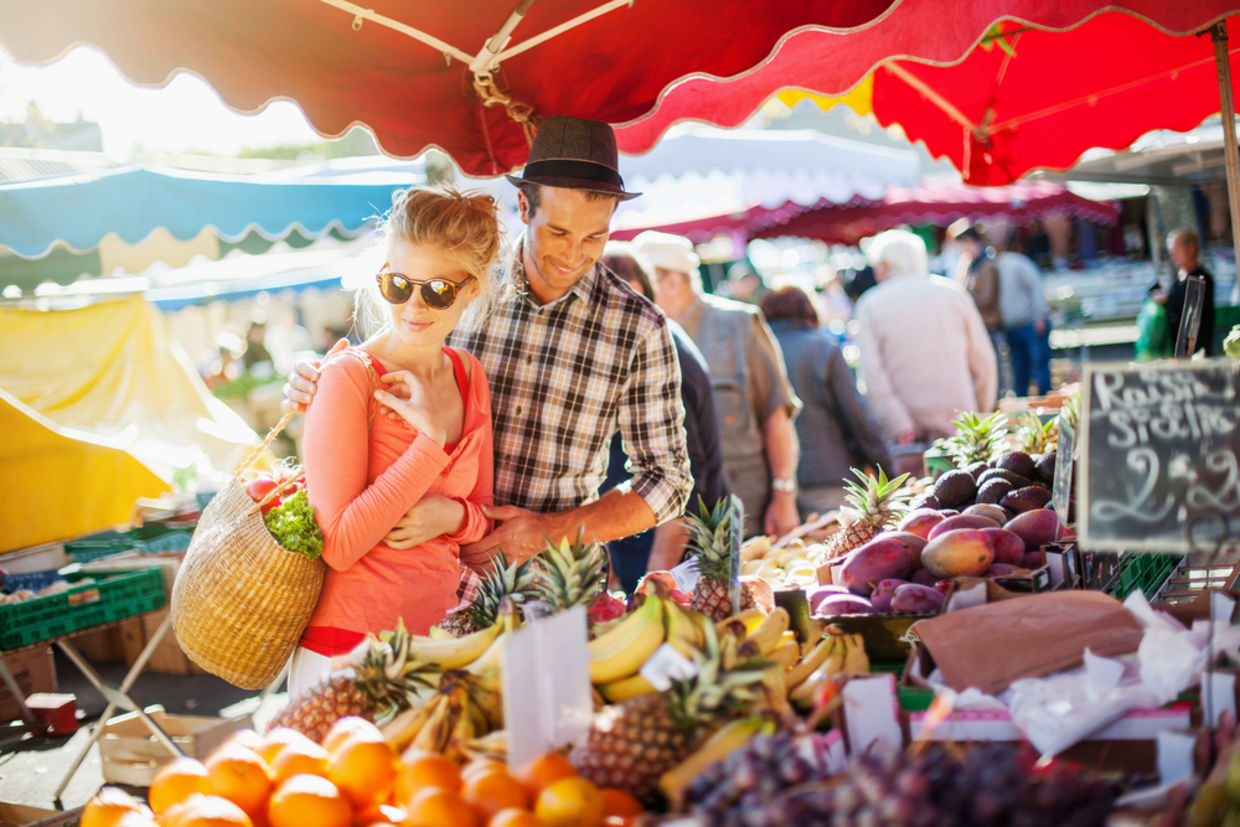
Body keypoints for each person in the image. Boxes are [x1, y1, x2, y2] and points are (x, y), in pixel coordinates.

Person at [287, 117, 692, 569]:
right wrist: (316, 384)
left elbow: (668, 482)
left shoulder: (639, 326)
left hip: (553, 582)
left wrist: (548, 532)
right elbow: (377, 364)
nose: (574, 254)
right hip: (434, 573)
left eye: (595, 236)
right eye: (558, 232)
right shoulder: (457, 281)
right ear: (523, 205)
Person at [290, 187, 500, 699]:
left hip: (444, 647)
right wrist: (428, 446)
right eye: (398, 284)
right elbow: (338, 545)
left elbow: (483, 518)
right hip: (352, 658)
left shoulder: (469, 374)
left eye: (437, 291)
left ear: (472, 290)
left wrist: (453, 519)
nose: (413, 306)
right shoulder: (349, 377)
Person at [634, 230, 801, 538]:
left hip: (747, 510)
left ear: (672, 281)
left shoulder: (739, 323)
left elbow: (776, 415)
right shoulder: (640, 338)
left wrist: (784, 494)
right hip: (671, 525)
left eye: (643, 281)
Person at [600, 244, 728, 588]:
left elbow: (688, 475)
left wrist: (655, 578)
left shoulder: (663, 352)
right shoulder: (645, 343)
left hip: (679, 561)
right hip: (644, 552)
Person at [760, 283, 892, 516]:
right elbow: (856, 416)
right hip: (830, 480)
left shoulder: (757, 355)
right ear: (808, 311)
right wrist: (886, 468)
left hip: (775, 489)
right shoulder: (822, 348)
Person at [853, 229, 997, 444]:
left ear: (884, 266)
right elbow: (984, 360)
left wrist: (899, 425)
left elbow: (872, 374)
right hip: (960, 422)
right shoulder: (953, 293)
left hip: (909, 435)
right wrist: (978, 412)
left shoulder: (870, 304)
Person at [950, 225, 1007, 395]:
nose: (959, 249)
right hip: (976, 326)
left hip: (989, 327)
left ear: (969, 241)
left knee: (993, 375)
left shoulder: (987, 264)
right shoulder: (968, 265)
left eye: (960, 243)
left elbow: (988, 298)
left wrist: (963, 300)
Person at [996, 240, 1052, 396]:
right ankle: (1023, 404)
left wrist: (1039, 316)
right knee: (1019, 371)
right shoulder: (991, 268)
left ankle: (1046, 402)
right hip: (1012, 327)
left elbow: (1036, 288)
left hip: (1030, 324)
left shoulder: (1017, 264)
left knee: (1039, 368)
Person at [1150, 228, 1216, 357]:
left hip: (1196, 353)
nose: (1173, 257)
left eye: (1176, 252)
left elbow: (1191, 319)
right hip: (1178, 351)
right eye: (1172, 253)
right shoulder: (1180, 277)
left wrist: (1167, 300)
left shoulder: (1201, 279)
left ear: (1191, 249)